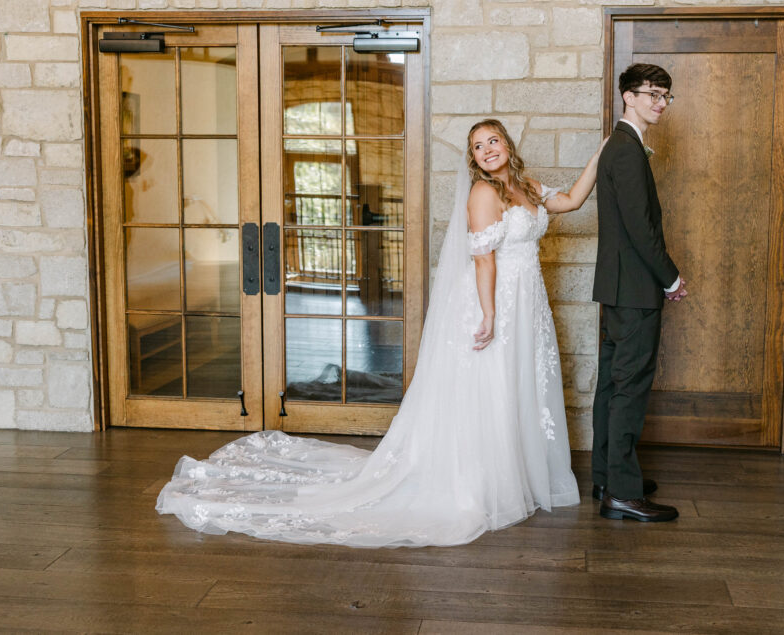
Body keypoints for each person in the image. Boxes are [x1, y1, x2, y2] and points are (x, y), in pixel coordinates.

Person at [156, 119, 602, 547]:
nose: (486, 151)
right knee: (492, 386)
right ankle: (483, 482)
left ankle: (515, 473)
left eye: (492, 141)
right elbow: (485, 261)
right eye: (477, 147)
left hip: (528, 303)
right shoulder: (484, 194)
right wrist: (489, 315)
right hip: (499, 301)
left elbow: (571, 201)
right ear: (473, 159)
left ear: (507, 143)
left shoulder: (525, 187)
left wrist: (604, 153)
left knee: (517, 385)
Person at [591, 63, 687, 523]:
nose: (660, 103)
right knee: (629, 388)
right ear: (628, 96)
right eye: (652, 94)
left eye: (666, 96)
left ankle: (609, 475)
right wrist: (669, 277)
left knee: (613, 383)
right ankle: (624, 493)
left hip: (619, 286)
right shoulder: (626, 150)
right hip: (634, 288)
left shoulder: (621, 145)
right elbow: (639, 227)